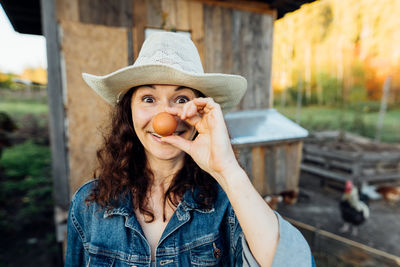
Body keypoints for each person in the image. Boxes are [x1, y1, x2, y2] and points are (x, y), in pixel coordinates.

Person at [65, 32, 315, 266]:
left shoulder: (228, 205)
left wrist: (227, 169)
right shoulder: (88, 205)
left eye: (182, 99)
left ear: (201, 110)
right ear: (129, 111)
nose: (165, 119)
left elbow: (294, 261)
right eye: (149, 99)